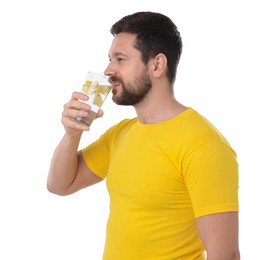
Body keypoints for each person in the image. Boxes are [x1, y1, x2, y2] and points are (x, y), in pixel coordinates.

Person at [47, 11, 240, 260]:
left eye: (120, 59)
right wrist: (72, 133)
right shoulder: (121, 134)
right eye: (109, 58)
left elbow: (225, 255)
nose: (108, 70)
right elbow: (60, 185)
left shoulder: (203, 144)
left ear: (157, 65)